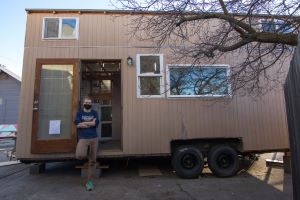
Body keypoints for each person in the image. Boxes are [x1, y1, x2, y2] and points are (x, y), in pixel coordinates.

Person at [75, 96, 99, 191]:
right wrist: (90, 122)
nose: (88, 104)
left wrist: (84, 123)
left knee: (92, 161)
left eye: (89, 102)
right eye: (86, 102)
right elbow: (77, 124)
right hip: (83, 138)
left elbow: (95, 124)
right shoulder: (79, 113)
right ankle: (86, 154)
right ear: (83, 103)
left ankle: (89, 182)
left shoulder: (95, 113)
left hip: (94, 138)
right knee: (80, 155)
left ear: (91, 104)